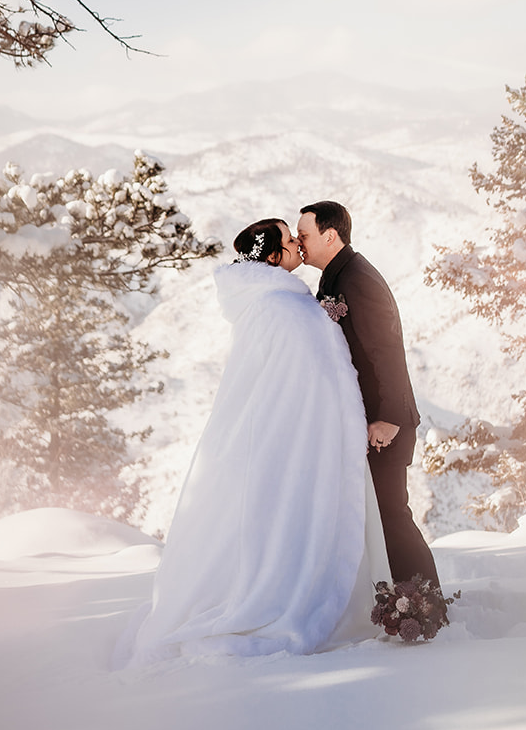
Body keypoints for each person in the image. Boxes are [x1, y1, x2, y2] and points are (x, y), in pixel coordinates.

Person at [114, 218, 388, 668]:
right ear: (273, 257)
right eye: (289, 238)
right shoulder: (285, 309)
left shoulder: (263, 304)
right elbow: (315, 382)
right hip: (292, 447)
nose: (298, 243)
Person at [297, 200, 440, 590]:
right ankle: (401, 599)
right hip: (367, 421)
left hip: (385, 423)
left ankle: (425, 603)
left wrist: (389, 417)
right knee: (376, 516)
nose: (299, 242)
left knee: (392, 515)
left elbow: (387, 349)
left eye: (305, 235)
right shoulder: (334, 276)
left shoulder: (357, 278)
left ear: (330, 235)